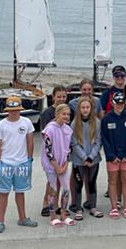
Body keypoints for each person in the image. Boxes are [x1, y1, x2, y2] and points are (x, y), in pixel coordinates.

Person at [0, 96, 38, 233]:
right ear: (7, 110)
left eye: (17, 109)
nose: (14, 112)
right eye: (12, 110)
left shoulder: (27, 122)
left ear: (20, 109)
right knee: (3, 193)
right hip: (5, 163)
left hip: (22, 163)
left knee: (20, 191)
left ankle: (22, 218)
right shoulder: (1, 125)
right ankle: (0, 221)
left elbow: (30, 142)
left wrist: (29, 160)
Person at [100, 92, 126, 219]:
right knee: (113, 182)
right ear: (112, 103)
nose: (119, 106)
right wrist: (111, 155)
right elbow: (104, 139)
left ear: (125, 103)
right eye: (117, 103)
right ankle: (114, 207)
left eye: (122, 103)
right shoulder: (106, 119)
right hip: (113, 157)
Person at [41, 103, 75, 227]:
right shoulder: (49, 129)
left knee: (66, 189)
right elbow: (48, 151)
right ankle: (53, 215)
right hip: (51, 165)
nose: (66, 116)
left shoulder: (68, 129)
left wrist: (65, 165)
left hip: (63, 164)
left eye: (68, 114)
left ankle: (63, 214)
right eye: (63, 114)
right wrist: (56, 167)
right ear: (57, 114)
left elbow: (69, 149)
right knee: (53, 189)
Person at [70, 95, 103, 220]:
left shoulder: (97, 122)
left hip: (93, 159)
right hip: (79, 160)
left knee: (91, 182)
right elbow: (74, 143)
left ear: (91, 108)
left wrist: (91, 157)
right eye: (83, 107)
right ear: (79, 109)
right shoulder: (74, 123)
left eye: (87, 107)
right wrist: (84, 157)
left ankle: (93, 206)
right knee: (78, 184)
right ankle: (78, 209)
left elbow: (99, 141)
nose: (85, 109)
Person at [40, 85, 68, 217]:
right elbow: (45, 136)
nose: (61, 99)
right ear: (53, 98)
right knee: (51, 181)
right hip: (51, 155)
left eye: (64, 96)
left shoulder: (67, 111)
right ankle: (46, 203)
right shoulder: (47, 113)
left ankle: (56, 205)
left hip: (62, 153)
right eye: (59, 97)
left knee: (60, 181)